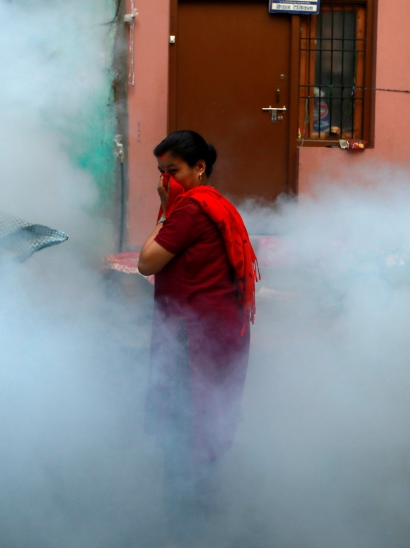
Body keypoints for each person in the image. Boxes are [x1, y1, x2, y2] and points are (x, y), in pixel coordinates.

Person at [137, 130, 259, 535]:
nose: (165, 180)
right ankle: (201, 514)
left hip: (191, 338)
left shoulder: (189, 209)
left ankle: (185, 524)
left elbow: (146, 262)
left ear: (199, 168)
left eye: (172, 171)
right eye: (160, 171)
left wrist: (164, 210)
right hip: (218, 333)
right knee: (207, 417)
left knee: (184, 423)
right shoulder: (217, 203)